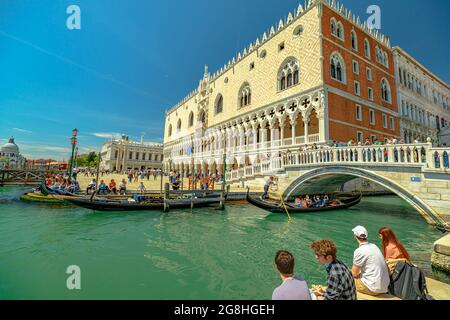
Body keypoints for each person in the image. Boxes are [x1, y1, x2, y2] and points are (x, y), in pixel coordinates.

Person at [351, 225, 390, 296]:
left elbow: (354, 273)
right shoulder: (374, 246)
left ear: (355, 236)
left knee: (346, 277)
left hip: (371, 288)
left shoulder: (359, 251)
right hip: (384, 287)